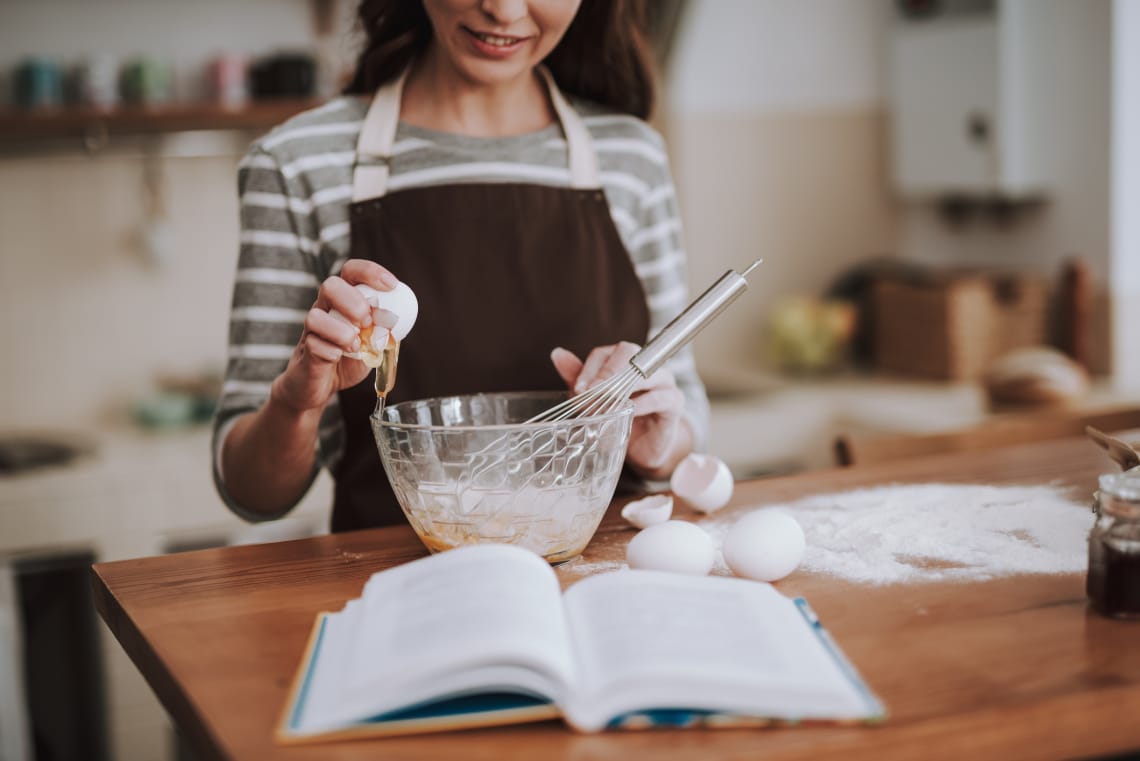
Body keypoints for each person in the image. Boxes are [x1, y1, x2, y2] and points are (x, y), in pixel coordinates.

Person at [213, 0, 711, 531]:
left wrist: (656, 443)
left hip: (607, 581)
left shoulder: (632, 157)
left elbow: (684, 409)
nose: (502, 9)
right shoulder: (297, 162)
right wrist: (296, 406)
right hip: (400, 586)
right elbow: (251, 493)